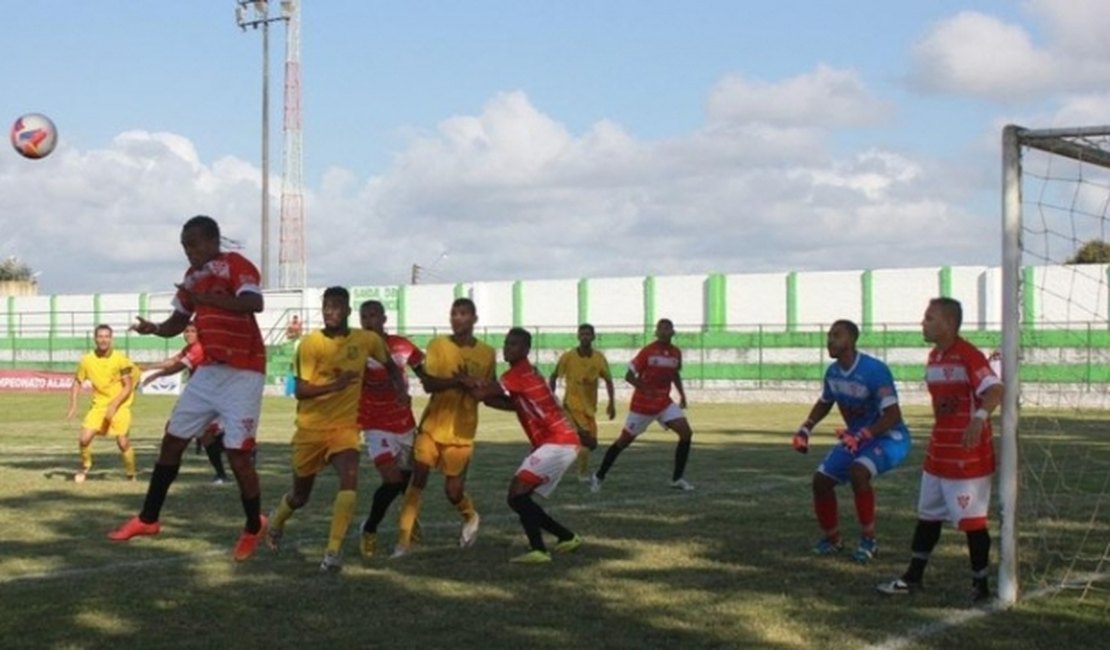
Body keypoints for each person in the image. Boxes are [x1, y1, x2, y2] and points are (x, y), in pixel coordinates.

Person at [108, 215, 268, 563]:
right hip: (209, 371)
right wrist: (154, 328)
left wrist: (204, 299)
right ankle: (148, 519)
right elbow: (178, 322)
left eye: (193, 244)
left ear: (213, 241)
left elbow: (254, 303)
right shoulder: (191, 280)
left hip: (244, 371)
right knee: (173, 441)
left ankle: (254, 525)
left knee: (238, 454)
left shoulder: (234, 265)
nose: (189, 252)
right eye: (184, 246)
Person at [877, 297, 1003, 604]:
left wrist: (978, 419)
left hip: (966, 457)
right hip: (938, 455)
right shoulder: (934, 357)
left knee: (972, 523)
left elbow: (996, 389)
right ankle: (912, 578)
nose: (923, 322)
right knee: (927, 517)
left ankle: (980, 585)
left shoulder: (968, 356)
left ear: (948, 323)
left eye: (929, 318)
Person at [266, 287, 397, 572]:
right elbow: (300, 390)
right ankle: (277, 519)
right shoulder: (310, 344)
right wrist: (334, 386)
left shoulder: (367, 340)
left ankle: (332, 552)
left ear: (348, 311)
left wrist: (399, 391)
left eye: (336, 306)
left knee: (349, 482)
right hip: (310, 429)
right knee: (300, 497)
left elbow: (391, 365)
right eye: (326, 306)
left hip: (346, 427)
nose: (330, 311)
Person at [792, 319, 912, 563]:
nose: (830, 340)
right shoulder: (833, 372)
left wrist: (864, 435)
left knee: (859, 472)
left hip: (889, 436)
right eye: (829, 335)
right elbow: (825, 402)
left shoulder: (874, 370)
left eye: (837, 335)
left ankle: (869, 541)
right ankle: (833, 539)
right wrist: (806, 428)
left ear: (851, 340)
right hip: (856, 437)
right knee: (821, 482)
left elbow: (893, 415)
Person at [392, 297, 496, 558]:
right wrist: (458, 382)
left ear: (474, 319)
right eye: (453, 313)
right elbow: (429, 384)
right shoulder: (438, 345)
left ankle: (470, 516)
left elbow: (488, 389)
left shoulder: (487, 353)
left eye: (463, 314)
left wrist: (504, 397)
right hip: (432, 427)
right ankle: (404, 542)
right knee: (418, 481)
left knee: (453, 492)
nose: (457, 318)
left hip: (462, 432)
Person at [472, 328, 583, 563]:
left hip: (558, 442)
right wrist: (484, 395)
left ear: (525, 350)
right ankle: (564, 538)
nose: (507, 347)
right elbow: (510, 403)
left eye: (513, 344)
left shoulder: (518, 374)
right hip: (557, 442)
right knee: (520, 498)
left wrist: (464, 380)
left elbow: (483, 392)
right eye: (506, 343)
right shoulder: (523, 374)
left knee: (517, 496)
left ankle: (542, 549)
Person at [590, 318, 694, 492]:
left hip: (664, 403)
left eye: (667, 328)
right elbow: (629, 376)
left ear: (673, 332)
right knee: (623, 442)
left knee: (686, 433)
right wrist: (646, 389)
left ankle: (677, 479)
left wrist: (682, 395)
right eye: (661, 328)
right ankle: (599, 476)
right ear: (656, 332)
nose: (664, 331)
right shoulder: (648, 351)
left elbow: (675, 374)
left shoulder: (676, 353)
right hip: (642, 406)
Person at [356, 300, 425, 558]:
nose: (368, 320)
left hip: (405, 424)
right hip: (375, 424)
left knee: (405, 482)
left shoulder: (402, 345)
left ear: (384, 318)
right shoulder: (357, 349)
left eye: (373, 315)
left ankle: (407, 518)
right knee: (392, 480)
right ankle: (370, 528)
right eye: (364, 316)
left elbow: (423, 371)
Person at [140, 322, 229, 484]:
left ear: (199, 333)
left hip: (208, 398)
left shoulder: (198, 348)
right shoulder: (188, 349)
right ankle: (224, 470)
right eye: (186, 331)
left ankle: (166, 469)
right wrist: (147, 367)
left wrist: (156, 375)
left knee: (185, 431)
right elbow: (171, 361)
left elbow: (178, 367)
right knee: (206, 436)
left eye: (192, 331)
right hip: (200, 397)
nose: (188, 334)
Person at [66, 324, 139, 482]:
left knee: (122, 442)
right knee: (84, 439)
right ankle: (85, 466)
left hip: (120, 405)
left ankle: (131, 473)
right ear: (95, 338)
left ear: (111, 339)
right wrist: (73, 405)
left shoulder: (121, 359)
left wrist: (113, 405)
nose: (103, 340)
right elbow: (77, 382)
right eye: (100, 336)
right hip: (99, 406)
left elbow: (128, 386)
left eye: (106, 336)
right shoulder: (87, 360)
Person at [548, 323, 616, 481]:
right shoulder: (568, 357)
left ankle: (559, 453)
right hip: (572, 407)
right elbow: (553, 376)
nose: (585, 337)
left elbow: (608, 380)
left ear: (593, 337)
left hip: (589, 409)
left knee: (591, 445)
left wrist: (611, 403)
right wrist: (551, 398)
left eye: (588, 334)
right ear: (578, 336)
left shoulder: (599, 358)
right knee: (585, 441)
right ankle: (581, 474)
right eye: (582, 334)